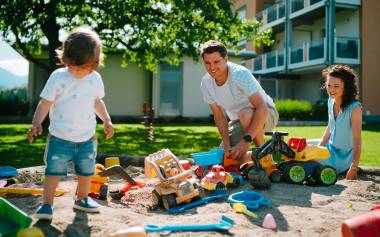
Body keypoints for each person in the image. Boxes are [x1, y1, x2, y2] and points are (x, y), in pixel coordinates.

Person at [27, 27, 114, 220]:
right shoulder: (58, 77)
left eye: (84, 68)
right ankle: (47, 204)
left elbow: (97, 102)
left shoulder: (95, 79)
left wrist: (106, 120)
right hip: (60, 138)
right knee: (53, 172)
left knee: (86, 171)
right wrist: (36, 123)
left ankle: (82, 199)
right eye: (74, 66)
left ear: (94, 64)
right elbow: (45, 102)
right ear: (65, 59)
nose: (79, 71)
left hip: (87, 138)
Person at [200, 40, 279, 164]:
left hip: (267, 113)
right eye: (208, 63)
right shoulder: (206, 83)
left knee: (246, 114)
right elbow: (219, 116)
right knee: (225, 158)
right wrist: (226, 145)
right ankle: (254, 158)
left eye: (216, 62)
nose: (212, 67)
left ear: (226, 59)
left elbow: (261, 108)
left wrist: (245, 142)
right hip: (239, 121)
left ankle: (263, 155)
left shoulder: (239, 74)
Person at [309, 65, 362, 180]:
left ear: (346, 87)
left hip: (343, 158)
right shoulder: (330, 101)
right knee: (302, 145)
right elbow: (330, 127)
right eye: (329, 85)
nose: (331, 90)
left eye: (336, 86)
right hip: (330, 148)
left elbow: (357, 139)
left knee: (307, 152)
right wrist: (320, 146)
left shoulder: (355, 108)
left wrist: (354, 167)